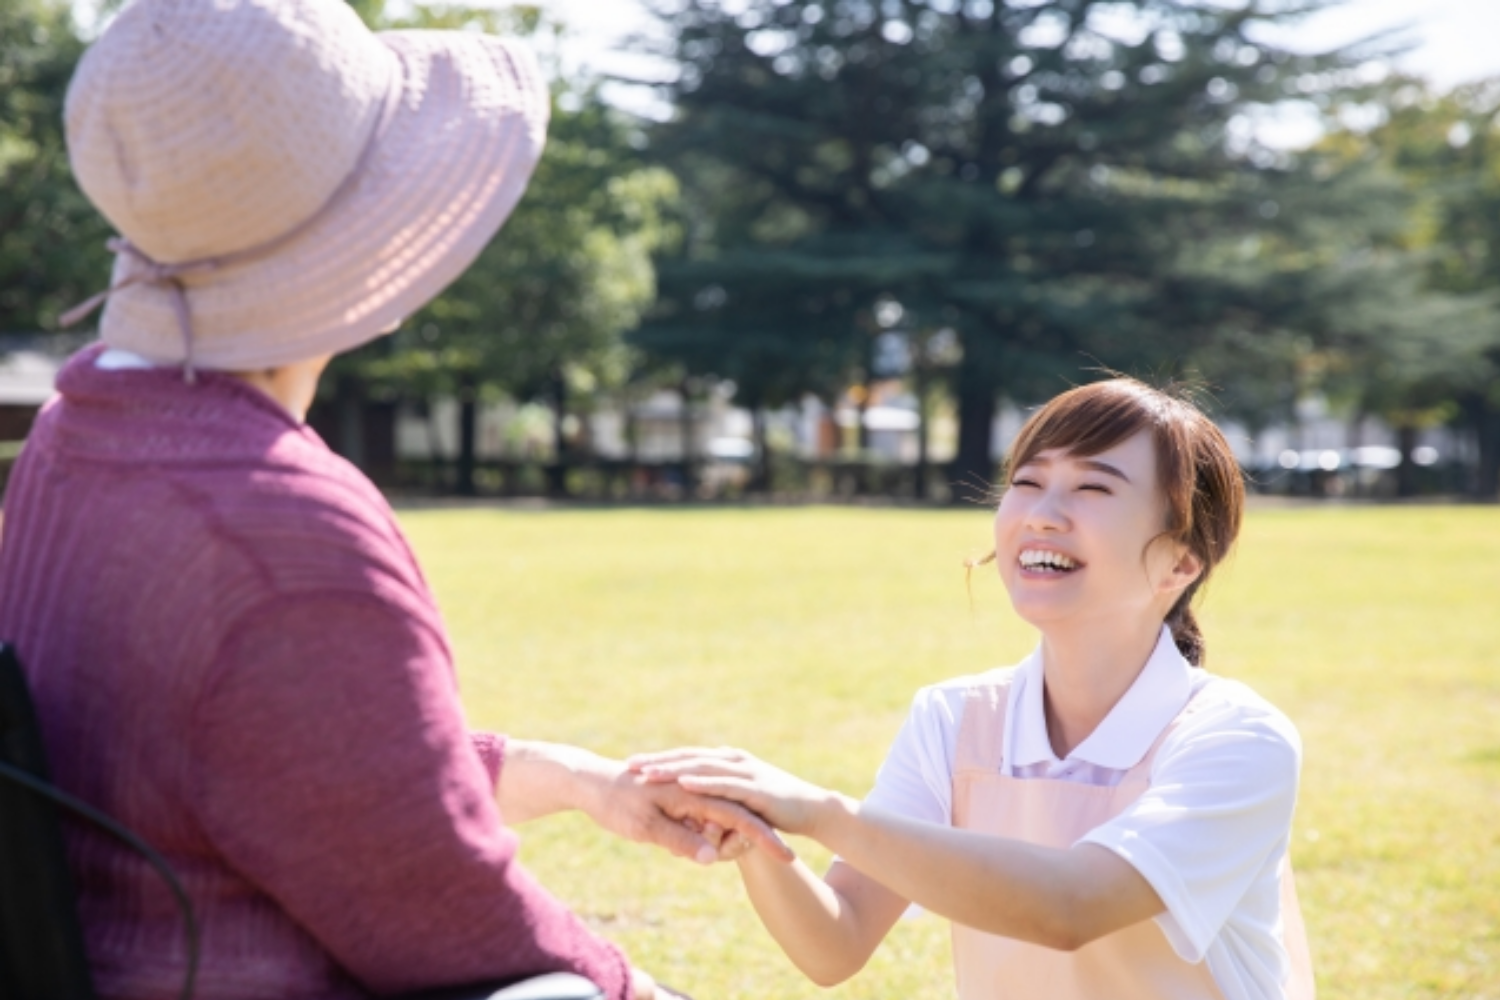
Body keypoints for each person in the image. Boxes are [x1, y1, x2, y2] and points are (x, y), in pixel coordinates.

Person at [0, 2, 787, 999]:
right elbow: (449, 922)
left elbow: (287, 762)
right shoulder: (277, 530)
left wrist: (571, 779)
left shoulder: (71, 441)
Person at [631, 378, 1317, 1000]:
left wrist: (818, 811)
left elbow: (1072, 906)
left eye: (1094, 488)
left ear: (1182, 561)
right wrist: (753, 831)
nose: (1042, 514)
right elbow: (834, 944)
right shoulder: (956, 718)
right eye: (1027, 482)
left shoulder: (1236, 737)